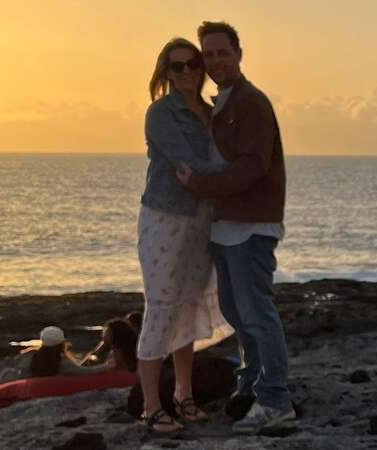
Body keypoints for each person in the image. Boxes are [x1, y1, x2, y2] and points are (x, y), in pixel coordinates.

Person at [175, 21, 294, 435]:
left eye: (222, 53)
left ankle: (276, 400)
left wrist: (200, 184)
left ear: (239, 54)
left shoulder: (250, 102)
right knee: (236, 312)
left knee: (258, 315)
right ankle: (252, 385)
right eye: (208, 55)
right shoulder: (222, 103)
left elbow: (252, 165)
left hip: (251, 227)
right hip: (225, 227)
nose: (215, 61)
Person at [137, 37, 233, 434]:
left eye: (192, 63)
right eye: (177, 66)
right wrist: (233, 179)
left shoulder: (212, 112)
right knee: (161, 305)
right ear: (166, 73)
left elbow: (207, 167)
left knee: (189, 304)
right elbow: (189, 162)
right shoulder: (162, 114)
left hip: (202, 218)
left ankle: (184, 393)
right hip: (166, 217)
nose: (188, 72)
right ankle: (150, 405)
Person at [0, 321, 137, 384]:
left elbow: (19, 369)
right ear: (61, 343)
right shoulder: (61, 362)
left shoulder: (28, 356)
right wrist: (106, 366)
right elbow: (83, 373)